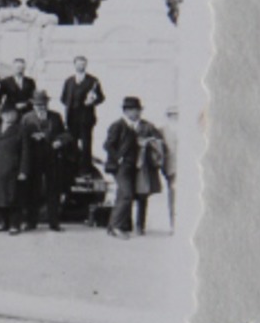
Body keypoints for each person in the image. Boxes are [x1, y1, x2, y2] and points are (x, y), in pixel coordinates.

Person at [104, 96, 165, 237]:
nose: (136, 113)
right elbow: (108, 145)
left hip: (136, 167)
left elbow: (158, 140)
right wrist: (118, 158)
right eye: (132, 110)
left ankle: (113, 227)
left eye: (138, 110)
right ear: (125, 111)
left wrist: (148, 142)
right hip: (121, 166)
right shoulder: (118, 125)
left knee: (124, 195)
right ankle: (117, 227)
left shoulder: (144, 125)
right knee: (126, 195)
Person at [21, 91, 72, 230]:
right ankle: (31, 222)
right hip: (34, 159)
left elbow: (66, 134)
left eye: (43, 104)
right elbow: (21, 137)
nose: (40, 107)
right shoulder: (26, 118)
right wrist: (32, 137)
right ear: (33, 105)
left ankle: (54, 223)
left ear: (47, 104)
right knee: (33, 191)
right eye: (37, 105)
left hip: (52, 158)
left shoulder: (56, 117)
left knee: (53, 191)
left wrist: (59, 141)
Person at [60, 55, 105, 173]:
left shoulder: (93, 81)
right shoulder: (69, 81)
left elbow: (101, 98)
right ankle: (72, 168)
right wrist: (72, 105)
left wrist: (92, 101)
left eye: (83, 64)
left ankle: (85, 169)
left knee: (86, 144)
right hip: (71, 117)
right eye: (79, 63)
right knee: (72, 143)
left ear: (86, 65)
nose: (81, 66)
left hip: (86, 118)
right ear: (74, 65)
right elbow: (63, 98)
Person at [0, 101, 26, 233]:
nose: (9, 116)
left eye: (12, 114)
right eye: (6, 114)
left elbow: (26, 152)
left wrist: (23, 170)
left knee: (13, 198)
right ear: (2, 115)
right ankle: (1, 222)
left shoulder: (20, 129)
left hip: (12, 169)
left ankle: (14, 224)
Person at [163, 105, 179, 231]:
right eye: (172, 114)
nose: (175, 116)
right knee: (173, 196)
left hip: (186, 168)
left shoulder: (188, 130)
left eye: (177, 114)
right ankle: (173, 224)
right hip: (171, 168)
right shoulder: (162, 130)